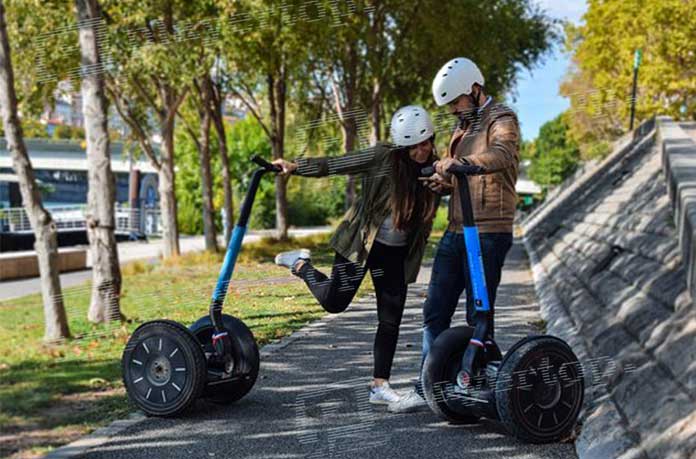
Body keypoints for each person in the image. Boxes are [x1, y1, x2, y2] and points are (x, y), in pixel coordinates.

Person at [272, 106, 443, 405]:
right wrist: (296, 166)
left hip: (396, 255)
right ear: (403, 147)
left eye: (426, 142)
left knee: (390, 321)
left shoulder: (435, 170)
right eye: (415, 146)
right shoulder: (382, 157)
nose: (422, 150)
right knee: (334, 302)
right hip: (363, 245)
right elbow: (337, 163)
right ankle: (301, 264)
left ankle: (379, 386)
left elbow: (451, 191)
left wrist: (446, 183)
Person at [389, 57, 521, 413]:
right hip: (456, 230)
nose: (452, 110)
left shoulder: (502, 119)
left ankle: (480, 383)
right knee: (435, 310)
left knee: (478, 314)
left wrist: (461, 165)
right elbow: (457, 177)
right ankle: (427, 383)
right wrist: (443, 183)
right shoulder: (461, 130)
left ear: (474, 90)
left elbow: (502, 155)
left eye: (455, 102)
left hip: (489, 230)